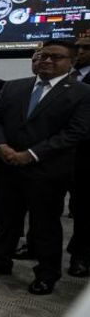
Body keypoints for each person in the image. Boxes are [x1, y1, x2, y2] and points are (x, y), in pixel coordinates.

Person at [0, 41, 90, 294]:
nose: (46, 61)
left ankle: (47, 274)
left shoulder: (82, 93)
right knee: (6, 219)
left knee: (44, 225)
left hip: (47, 172)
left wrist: (32, 154)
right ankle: (0, 260)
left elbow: (75, 132)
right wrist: (1, 146)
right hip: (8, 165)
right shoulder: (15, 86)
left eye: (55, 57)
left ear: (71, 62)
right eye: (42, 56)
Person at [67, 36, 90, 276]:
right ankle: (33, 246)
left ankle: (80, 255)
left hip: (85, 156)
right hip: (53, 156)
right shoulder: (66, 78)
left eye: (87, 48)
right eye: (79, 48)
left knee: (83, 210)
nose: (80, 52)